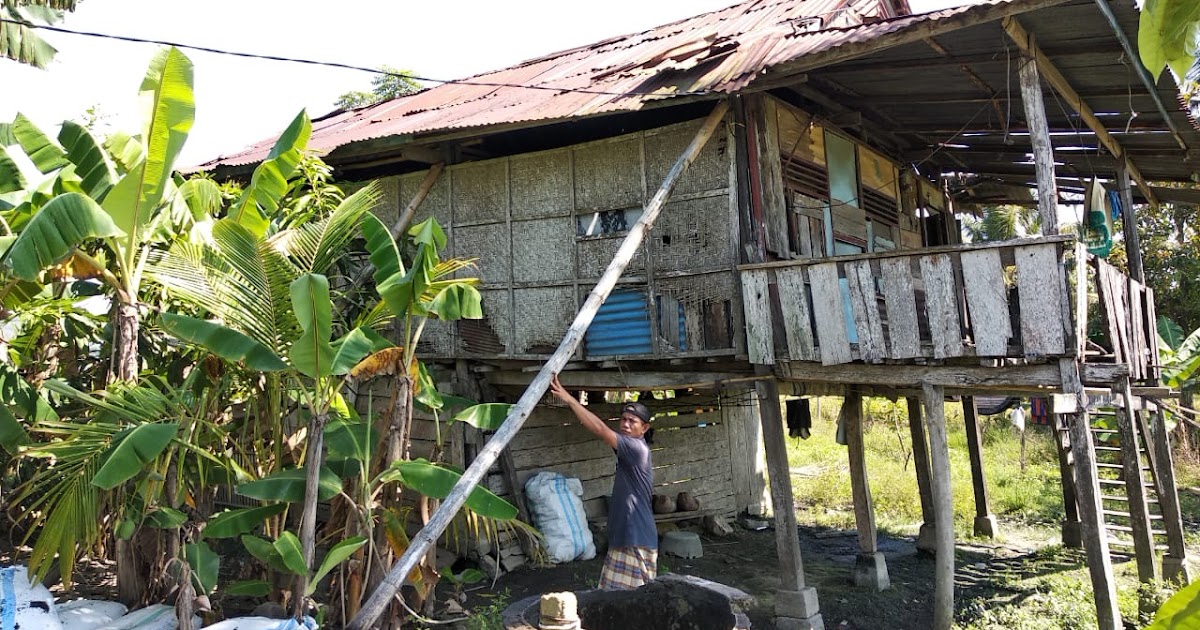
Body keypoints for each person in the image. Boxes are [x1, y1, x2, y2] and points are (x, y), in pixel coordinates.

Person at [548, 374, 657, 590]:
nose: (625, 424)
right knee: (613, 600)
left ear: (644, 428)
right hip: (626, 536)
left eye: (632, 421)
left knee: (629, 604)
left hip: (635, 537)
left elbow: (599, 429)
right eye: (623, 419)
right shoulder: (630, 448)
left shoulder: (636, 449)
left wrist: (570, 400)